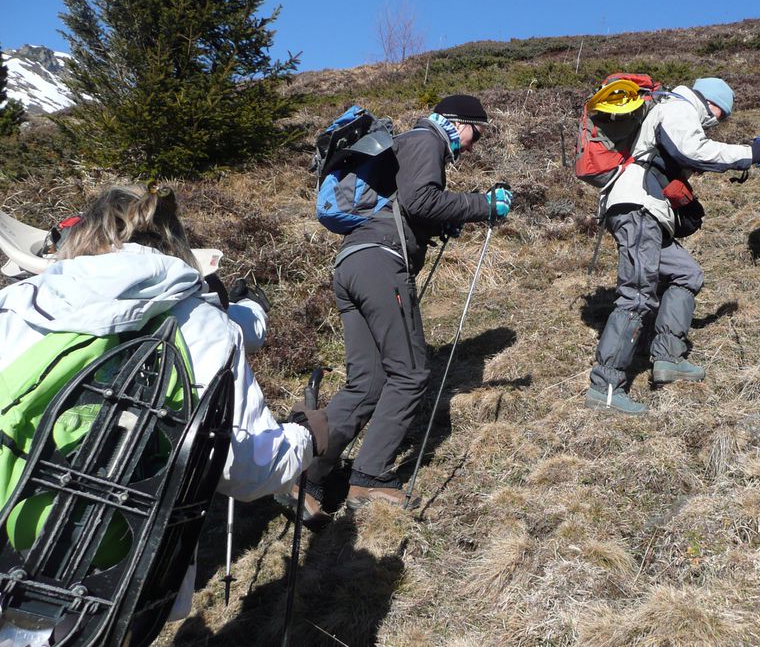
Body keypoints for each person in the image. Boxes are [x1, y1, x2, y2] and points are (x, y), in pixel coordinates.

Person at [0, 183, 328, 613]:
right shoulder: (204, 323)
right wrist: (304, 436)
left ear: (85, 234)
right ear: (175, 240)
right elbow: (246, 469)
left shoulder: (16, 303)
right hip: (115, 577)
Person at [292, 94, 512, 520]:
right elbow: (421, 200)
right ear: (457, 122)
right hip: (381, 263)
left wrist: (442, 222)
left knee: (367, 383)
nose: (472, 145)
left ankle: (308, 478)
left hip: (353, 263)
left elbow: (410, 205)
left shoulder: (407, 145)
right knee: (410, 373)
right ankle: (370, 477)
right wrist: (482, 205)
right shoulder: (426, 139)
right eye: (476, 134)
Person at [586, 77, 760, 415]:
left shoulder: (671, 108)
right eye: (722, 114)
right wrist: (748, 154)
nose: (719, 121)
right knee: (637, 295)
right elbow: (692, 151)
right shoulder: (679, 108)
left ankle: (668, 358)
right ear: (713, 105)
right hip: (639, 208)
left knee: (687, 273)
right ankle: (605, 388)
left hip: (644, 210)